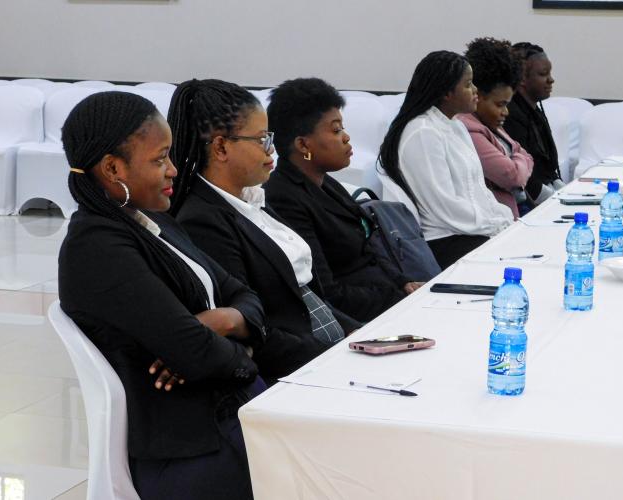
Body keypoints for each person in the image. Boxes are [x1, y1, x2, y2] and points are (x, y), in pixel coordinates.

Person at [58, 91, 265, 500]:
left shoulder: (151, 218)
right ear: (113, 168)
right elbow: (194, 352)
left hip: (227, 412)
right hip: (193, 450)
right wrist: (245, 354)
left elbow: (244, 295)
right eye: (159, 160)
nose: (173, 170)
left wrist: (223, 321)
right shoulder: (96, 248)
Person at [167, 79, 361, 383]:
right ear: (220, 147)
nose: (271, 150)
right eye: (260, 140)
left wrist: (358, 332)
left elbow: (309, 295)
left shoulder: (251, 198)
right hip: (297, 370)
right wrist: (332, 354)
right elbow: (255, 329)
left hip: (325, 347)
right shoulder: (203, 221)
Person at [264, 77, 421, 323]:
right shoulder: (283, 198)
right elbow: (327, 292)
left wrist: (405, 284)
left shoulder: (326, 182)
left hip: (384, 298)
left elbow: (368, 248)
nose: (346, 138)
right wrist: (399, 300)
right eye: (336, 130)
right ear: (303, 144)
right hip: (359, 318)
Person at [378, 51, 513, 269]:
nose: (476, 90)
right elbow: (444, 206)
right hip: (443, 241)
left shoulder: (456, 126)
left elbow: (478, 190)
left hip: (469, 231)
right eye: (468, 84)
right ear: (447, 93)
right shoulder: (422, 133)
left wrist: (502, 218)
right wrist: (493, 224)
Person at [458, 37, 533, 219]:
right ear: (478, 96)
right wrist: (518, 161)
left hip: (512, 211)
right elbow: (513, 176)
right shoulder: (468, 129)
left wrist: (518, 160)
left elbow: (527, 156)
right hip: (496, 219)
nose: (505, 112)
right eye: (500, 104)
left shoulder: (489, 124)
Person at [503, 42, 565, 209]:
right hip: (528, 202)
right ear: (522, 78)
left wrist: (564, 190)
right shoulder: (509, 114)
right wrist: (556, 201)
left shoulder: (533, 109)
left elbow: (547, 165)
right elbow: (527, 179)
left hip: (545, 191)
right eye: (543, 74)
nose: (551, 79)